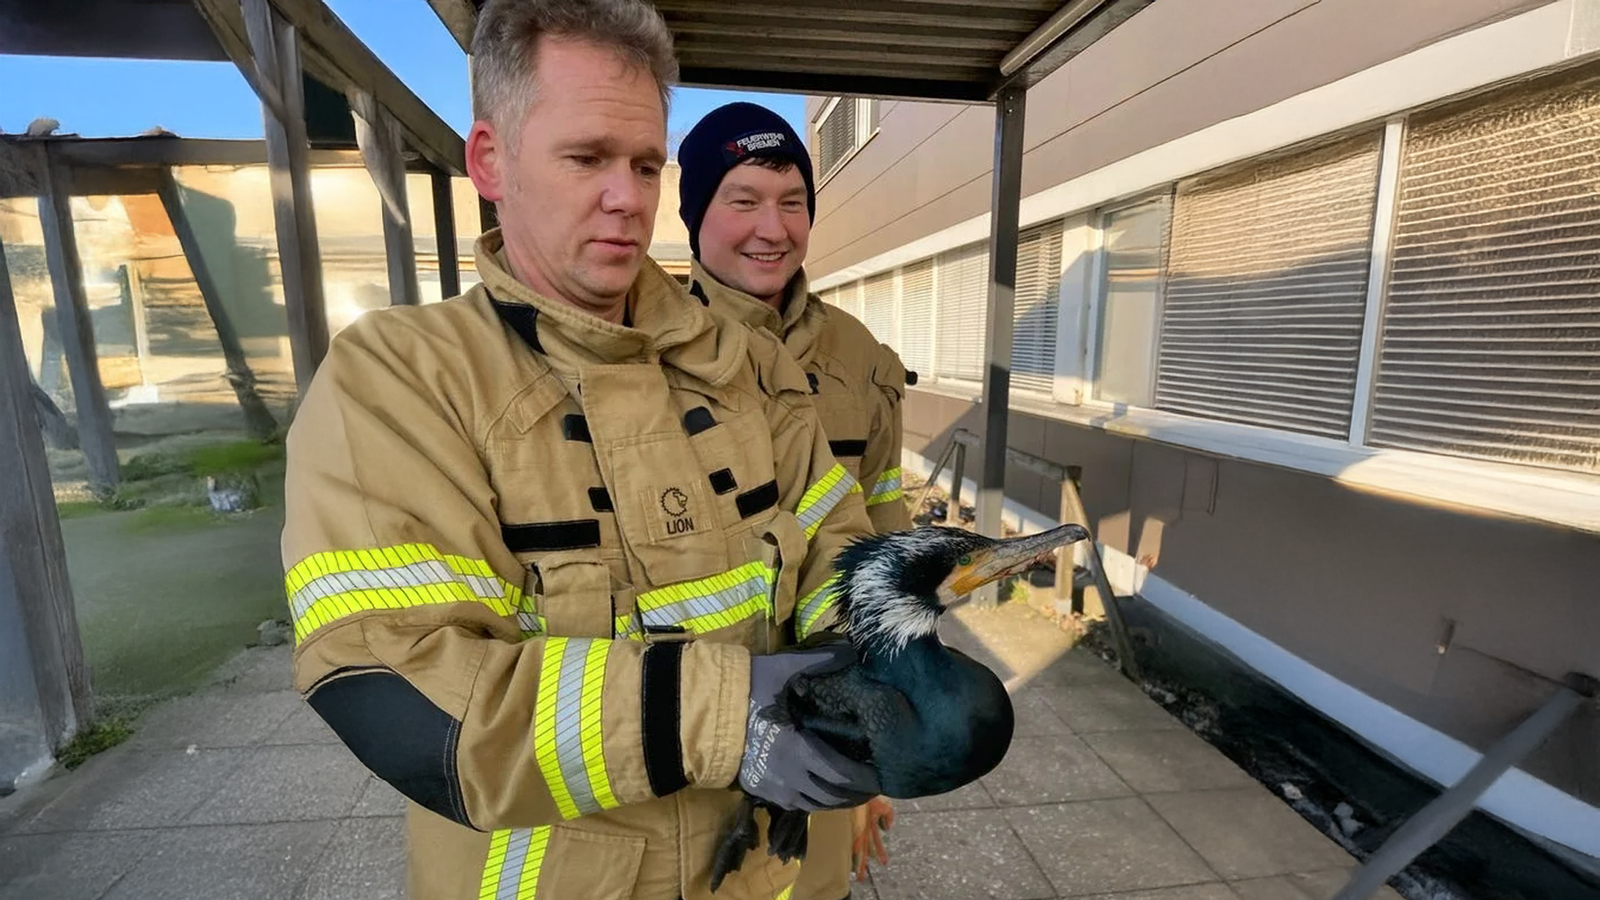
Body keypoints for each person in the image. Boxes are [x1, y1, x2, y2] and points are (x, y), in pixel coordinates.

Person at [278, 2, 881, 898]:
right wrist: (727, 713)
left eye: (645, 164)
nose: (629, 197)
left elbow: (840, 543)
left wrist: (872, 670)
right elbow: (405, 688)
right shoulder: (400, 380)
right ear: (490, 161)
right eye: (587, 158)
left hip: (773, 874)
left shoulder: (748, 364)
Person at [676, 103, 912, 897]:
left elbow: (884, 533)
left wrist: (881, 736)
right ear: (694, 215)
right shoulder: (643, 349)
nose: (772, 228)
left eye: (793, 201)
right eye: (742, 201)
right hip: (697, 708)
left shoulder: (861, 359)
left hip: (831, 693)